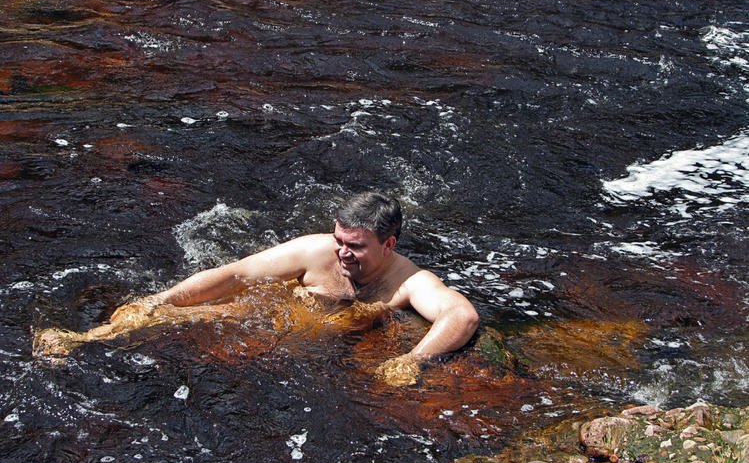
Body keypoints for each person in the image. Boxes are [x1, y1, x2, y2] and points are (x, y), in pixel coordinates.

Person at [39, 192, 480, 384]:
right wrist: (162, 297)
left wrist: (413, 360)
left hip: (316, 346)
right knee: (170, 314)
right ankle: (79, 340)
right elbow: (237, 274)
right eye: (339, 241)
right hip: (273, 318)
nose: (343, 253)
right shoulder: (314, 251)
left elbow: (461, 315)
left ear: (388, 245)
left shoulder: (407, 280)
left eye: (356, 247)